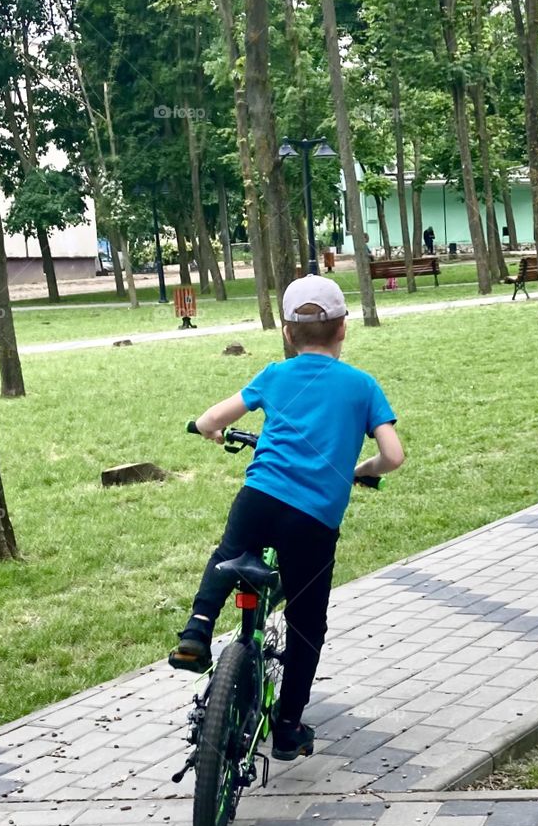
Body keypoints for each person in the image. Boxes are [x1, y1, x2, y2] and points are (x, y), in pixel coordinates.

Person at [168, 275, 404, 761]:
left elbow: (214, 420)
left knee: (228, 555)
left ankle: (196, 631)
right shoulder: (361, 386)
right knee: (305, 622)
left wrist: (210, 432)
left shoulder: (274, 375)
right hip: (314, 521)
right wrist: (361, 470)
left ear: (286, 332)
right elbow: (393, 455)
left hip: (260, 497)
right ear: (343, 329)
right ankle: (289, 725)